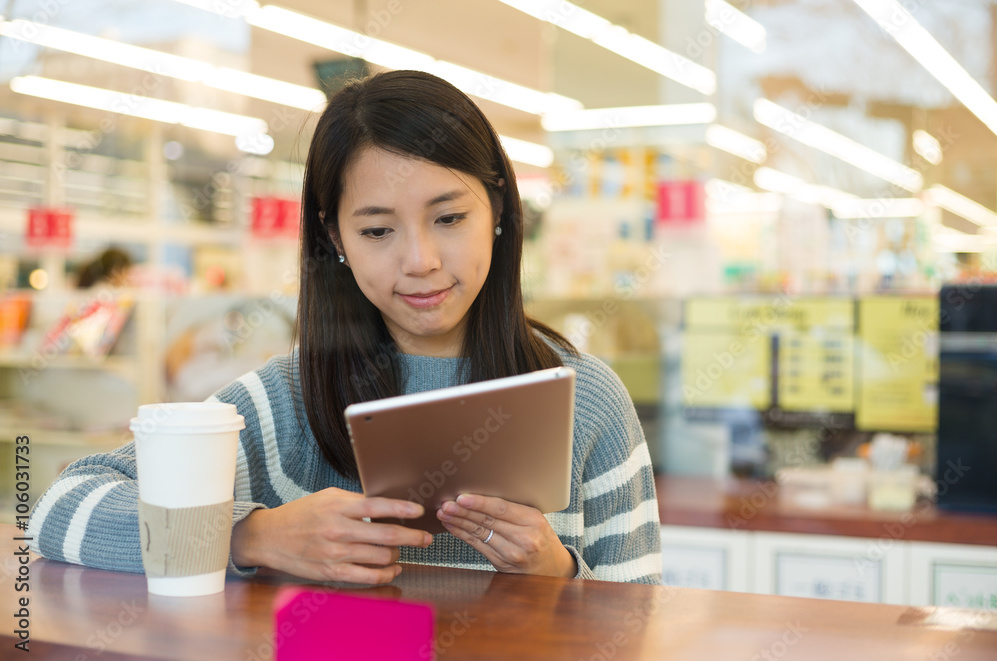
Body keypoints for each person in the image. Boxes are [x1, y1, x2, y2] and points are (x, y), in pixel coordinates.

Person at [27, 70, 662, 586]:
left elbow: (641, 626)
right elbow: (58, 509)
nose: (420, 260)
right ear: (336, 238)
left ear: (497, 207)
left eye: (448, 217)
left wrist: (556, 573)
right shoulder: (284, 402)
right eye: (377, 230)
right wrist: (254, 536)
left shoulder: (587, 400)